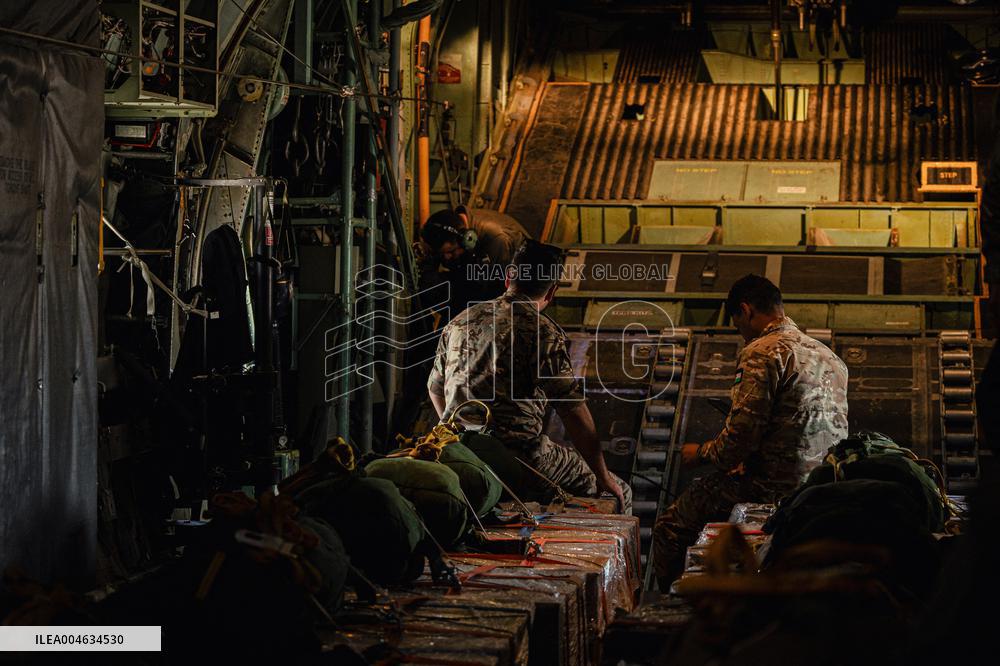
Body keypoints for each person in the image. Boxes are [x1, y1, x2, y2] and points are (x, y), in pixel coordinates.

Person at [652, 274, 849, 590]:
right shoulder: (831, 357)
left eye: (738, 324)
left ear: (745, 311)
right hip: (819, 487)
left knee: (672, 526)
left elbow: (739, 439)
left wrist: (700, 453)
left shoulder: (762, 351)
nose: (741, 335)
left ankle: (674, 614)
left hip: (769, 489)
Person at [427, 240, 631, 513]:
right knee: (621, 492)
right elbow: (572, 411)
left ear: (509, 277)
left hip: (457, 450)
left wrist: (455, 434)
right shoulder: (542, 331)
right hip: (519, 458)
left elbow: (435, 388)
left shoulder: (460, 321)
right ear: (552, 291)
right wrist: (603, 477)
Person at [418, 206, 529, 314]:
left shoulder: (498, 240)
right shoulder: (461, 225)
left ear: (467, 239)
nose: (447, 257)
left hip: (514, 293)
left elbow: (492, 291)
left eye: (451, 252)